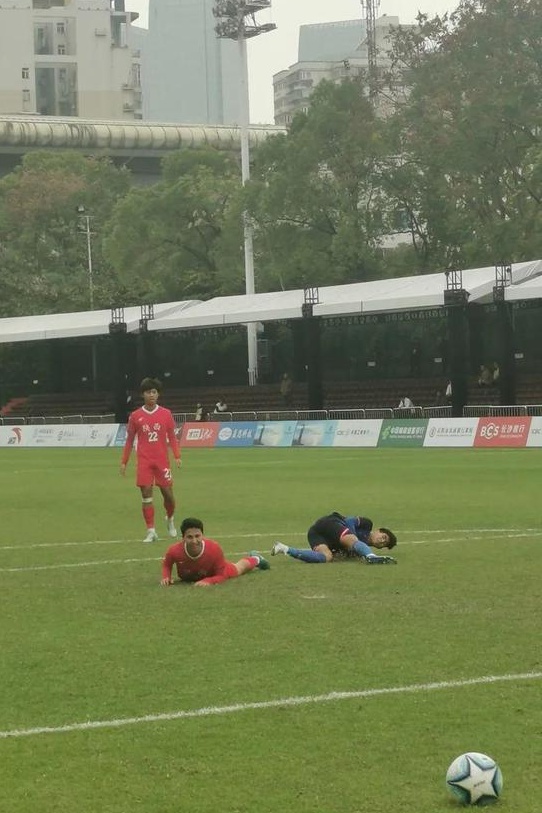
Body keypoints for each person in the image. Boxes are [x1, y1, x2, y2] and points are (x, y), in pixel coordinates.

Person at [120, 377, 181, 544]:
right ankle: (151, 530)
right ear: (143, 395)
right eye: (148, 392)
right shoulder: (135, 416)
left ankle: (169, 519)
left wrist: (177, 456)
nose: (151, 395)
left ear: (158, 394)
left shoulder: (166, 414)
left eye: (154, 392)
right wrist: (124, 461)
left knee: (168, 496)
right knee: (146, 495)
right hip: (144, 461)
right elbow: (129, 440)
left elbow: (172, 437)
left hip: (162, 461)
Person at [161, 517, 270, 586]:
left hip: (216, 572)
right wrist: (166, 577)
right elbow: (166, 565)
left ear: (202, 535)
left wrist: (208, 581)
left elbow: (221, 576)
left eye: (197, 536)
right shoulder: (174, 551)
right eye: (189, 537)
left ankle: (256, 558)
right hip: (192, 576)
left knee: (238, 568)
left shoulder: (214, 549)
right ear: (183, 537)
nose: (194, 541)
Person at [272, 512, 397, 564]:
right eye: (384, 537)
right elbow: (349, 521)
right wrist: (352, 538)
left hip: (315, 533)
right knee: (351, 540)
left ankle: (285, 549)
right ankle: (371, 557)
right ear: (379, 530)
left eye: (384, 544)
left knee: (326, 557)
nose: (382, 541)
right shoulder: (367, 524)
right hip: (331, 523)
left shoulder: (357, 550)